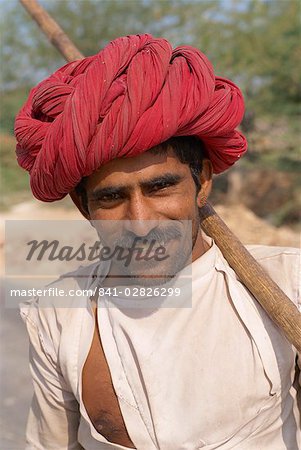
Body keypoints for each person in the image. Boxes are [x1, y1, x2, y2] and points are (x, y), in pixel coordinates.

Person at [15, 34, 300, 449]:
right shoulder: (60, 316)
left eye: (160, 187)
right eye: (111, 197)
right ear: (83, 205)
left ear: (202, 182)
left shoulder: (288, 281)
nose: (140, 222)